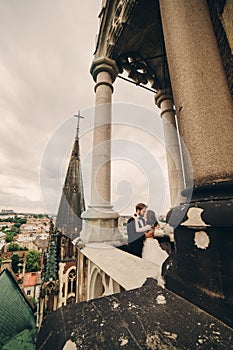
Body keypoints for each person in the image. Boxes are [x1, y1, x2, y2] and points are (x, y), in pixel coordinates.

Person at [142, 209, 168, 281]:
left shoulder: (146, 224)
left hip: (148, 241)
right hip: (153, 241)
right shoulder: (154, 224)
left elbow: (148, 234)